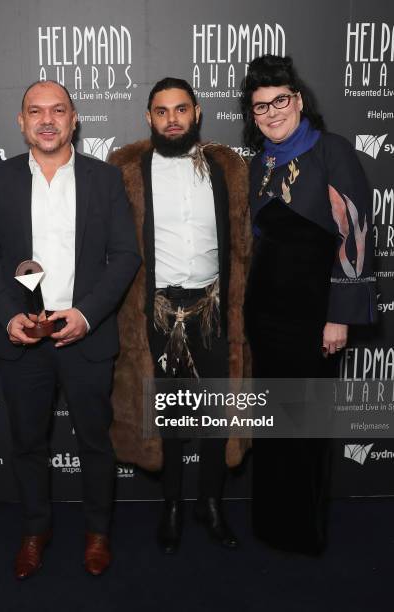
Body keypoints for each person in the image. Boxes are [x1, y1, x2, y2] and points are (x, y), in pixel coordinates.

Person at [0, 80, 140, 578]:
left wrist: (87, 315)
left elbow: (126, 255)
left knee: (95, 441)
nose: (47, 120)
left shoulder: (104, 180)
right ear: (20, 122)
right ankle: (34, 530)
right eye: (35, 111)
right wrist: (9, 315)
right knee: (27, 443)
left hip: (85, 335)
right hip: (22, 338)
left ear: (74, 120)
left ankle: (97, 532)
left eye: (58, 110)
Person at [239, 55, 376, 554]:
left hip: (312, 313)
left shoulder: (330, 151)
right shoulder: (259, 164)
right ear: (251, 115)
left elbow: (355, 234)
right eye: (260, 106)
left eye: (280, 100)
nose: (272, 112)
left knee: (305, 426)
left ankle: (302, 531)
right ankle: (271, 523)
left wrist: (338, 314)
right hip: (265, 312)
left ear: (298, 101)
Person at [109, 77, 251, 554]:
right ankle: (171, 504)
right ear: (148, 117)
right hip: (156, 313)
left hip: (212, 310)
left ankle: (210, 503)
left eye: (181, 109)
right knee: (166, 415)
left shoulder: (226, 168)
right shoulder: (126, 170)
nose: (173, 119)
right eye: (162, 111)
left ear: (197, 113)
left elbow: (244, 244)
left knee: (215, 413)